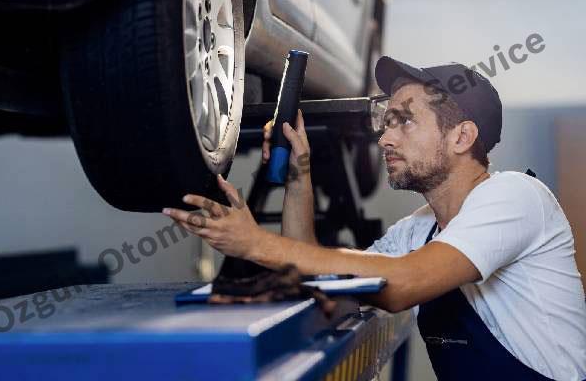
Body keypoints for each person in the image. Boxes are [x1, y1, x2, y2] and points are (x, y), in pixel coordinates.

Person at [162, 56, 586, 380]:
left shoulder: (516, 196)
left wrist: (256, 243)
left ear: (462, 136)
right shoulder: (418, 231)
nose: (385, 137)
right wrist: (299, 172)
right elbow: (319, 267)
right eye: (387, 122)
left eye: (404, 121)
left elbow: (401, 283)